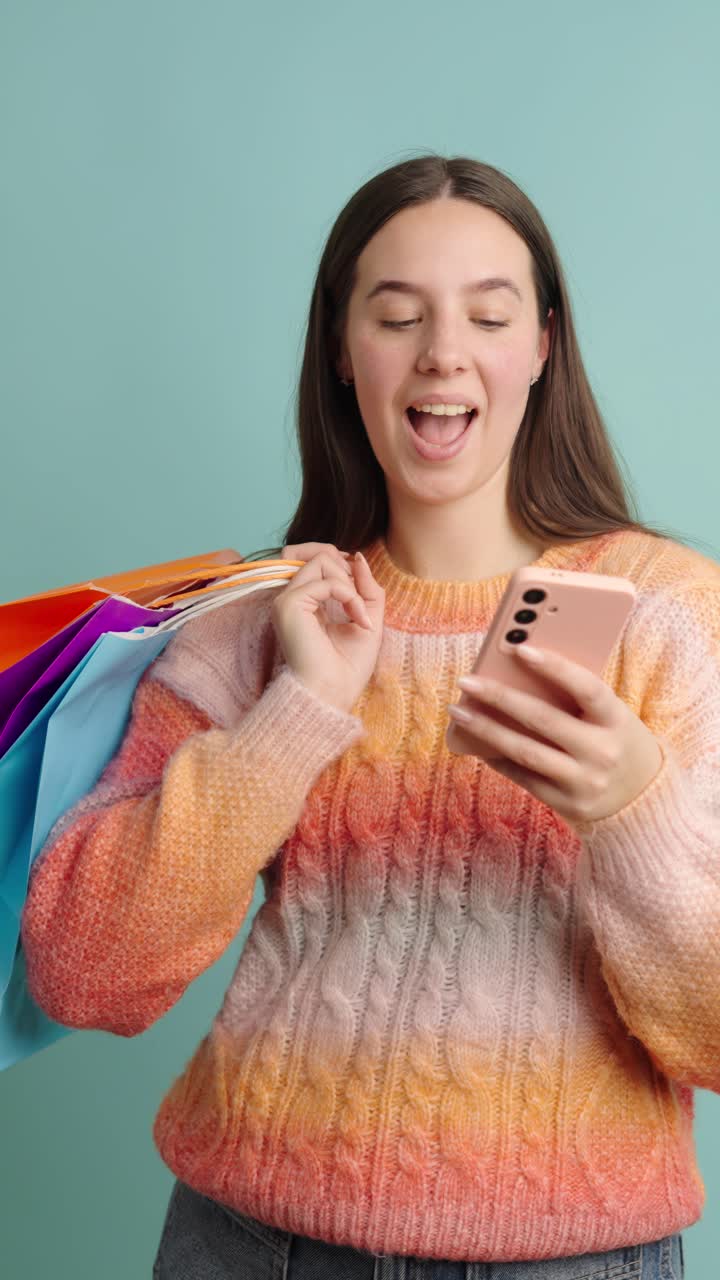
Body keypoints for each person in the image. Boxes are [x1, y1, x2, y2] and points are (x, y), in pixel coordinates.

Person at [21, 153, 716, 1280]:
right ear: (343, 353)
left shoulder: (669, 616)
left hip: (577, 1257)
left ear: (543, 345)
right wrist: (296, 714)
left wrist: (631, 811)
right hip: (252, 1242)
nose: (443, 351)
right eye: (397, 315)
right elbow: (83, 969)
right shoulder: (255, 623)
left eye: (488, 315)